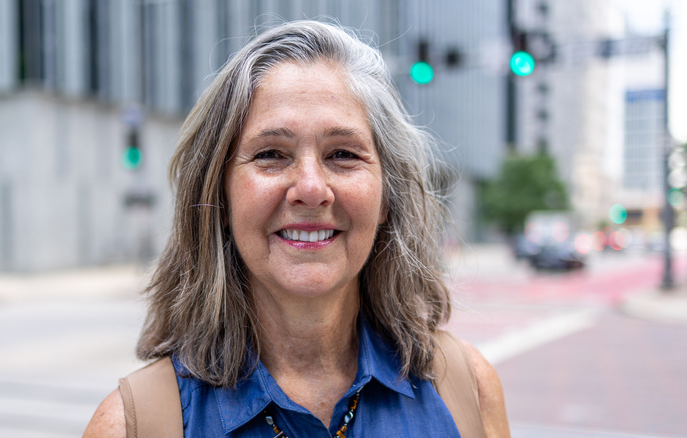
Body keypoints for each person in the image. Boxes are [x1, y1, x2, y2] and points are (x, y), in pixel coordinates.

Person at [83, 20, 509, 437]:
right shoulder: (130, 426)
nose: (310, 188)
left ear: (386, 199)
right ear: (221, 200)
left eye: (342, 154)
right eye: (271, 154)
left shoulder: (467, 390)